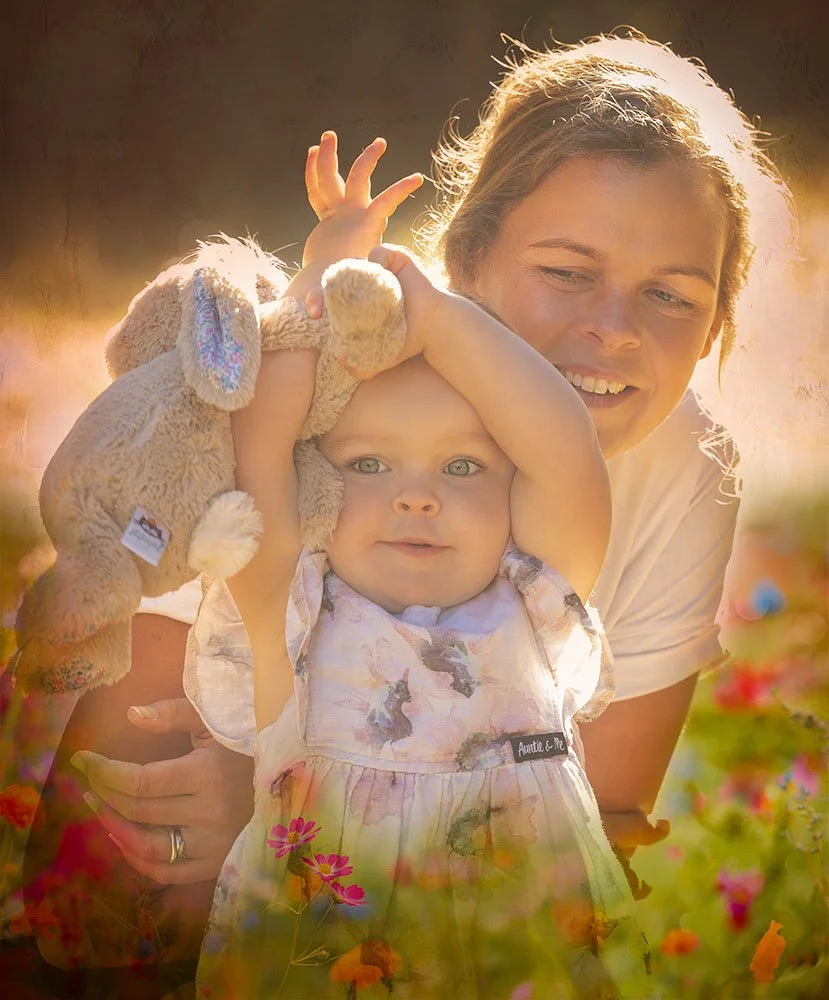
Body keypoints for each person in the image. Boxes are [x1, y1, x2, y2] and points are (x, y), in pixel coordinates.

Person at [20, 29, 793, 986]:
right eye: (564, 270)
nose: (611, 329)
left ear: (718, 316)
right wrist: (273, 778)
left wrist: (343, 813)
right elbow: (99, 821)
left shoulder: (678, 468)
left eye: (672, 296)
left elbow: (608, 819)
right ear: (463, 255)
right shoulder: (328, 393)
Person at [185, 130, 651, 999]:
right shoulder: (287, 609)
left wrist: (436, 317)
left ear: (511, 486)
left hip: (527, 959)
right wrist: (323, 281)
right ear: (315, 482)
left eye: (463, 467)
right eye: (367, 465)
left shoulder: (532, 598)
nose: (417, 498)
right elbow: (260, 441)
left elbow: (561, 444)